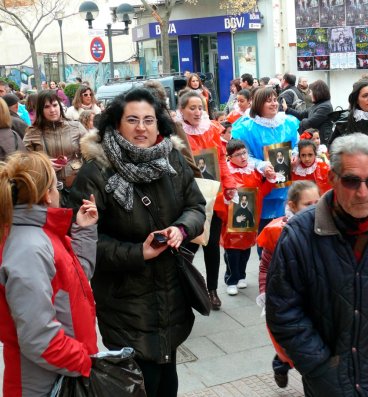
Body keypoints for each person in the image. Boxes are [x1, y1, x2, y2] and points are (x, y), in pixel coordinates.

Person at [266, 133, 368, 396]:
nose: (364, 192)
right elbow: (283, 311)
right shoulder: (299, 233)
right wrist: (318, 364)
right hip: (329, 381)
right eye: (352, 181)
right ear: (332, 179)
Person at [68, 87, 206, 397]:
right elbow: (84, 243)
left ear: (160, 124)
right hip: (124, 299)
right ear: (115, 124)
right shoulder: (96, 173)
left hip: (171, 294)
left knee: (166, 378)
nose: (141, 127)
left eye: (149, 119)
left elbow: (196, 206)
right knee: (142, 381)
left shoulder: (171, 158)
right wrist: (137, 253)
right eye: (132, 119)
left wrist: (182, 229)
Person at [0, 151, 99, 396]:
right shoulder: (29, 247)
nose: (59, 192)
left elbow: (74, 280)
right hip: (43, 383)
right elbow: (38, 338)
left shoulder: (40, 235)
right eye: (55, 186)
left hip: (58, 375)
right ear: (46, 194)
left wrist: (84, 230)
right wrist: (85, 362)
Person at [256, 180, 320, 389]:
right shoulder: (277, 231)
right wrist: (265, 293)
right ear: (292, 205)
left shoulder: (326, 226)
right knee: (289, 346)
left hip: (316, 297)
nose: (314, 208)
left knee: (312, 353)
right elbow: (265, 266)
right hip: (287, 299)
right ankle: (280, 364)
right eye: (307, 204)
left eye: (317, 203)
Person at [176, 90, 237, 310]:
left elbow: (221, 160)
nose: (197, 112)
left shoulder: (212, 129)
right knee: (187, 246)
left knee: (211, 245)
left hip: (213, 195)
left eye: (200, 107)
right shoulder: (176, 132)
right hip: (187, 197)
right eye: (191, 108)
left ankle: (211, 290)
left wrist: (229, 184)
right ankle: (184, 288)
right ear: (181, 109)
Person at [231, 87, 300, 237]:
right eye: (269, 101)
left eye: (275, 100)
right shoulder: (246, 127)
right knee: (265, 232)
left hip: (285, 186)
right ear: (258, 104)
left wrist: (295, 154)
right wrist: (260, 165)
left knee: (283, 230)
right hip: (261, 185)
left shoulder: (287, 122)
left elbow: (297, 143)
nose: (274, 104)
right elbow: (242, 154)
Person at [213, 139, 274, 295]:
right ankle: (231, 279)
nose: (243, 157)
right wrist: (225, 198)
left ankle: (241, 276)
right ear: (229, 157)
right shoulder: (226, 172)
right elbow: (218, 194)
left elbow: (261, 191)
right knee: (232, 251)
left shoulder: (253, 171)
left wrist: (271, 180)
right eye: (238, 155)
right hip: (230, 219)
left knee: (246, 249)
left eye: (244, 153)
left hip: (249, 217)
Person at [23, 90, 87, 205]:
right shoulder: (32, 132)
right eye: (47, 107)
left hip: (76, 186)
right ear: (40, 110)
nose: (52, 110)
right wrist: (43, 163)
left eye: (54, 105)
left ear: (60, 105)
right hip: (47, 189)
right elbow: (23, 159)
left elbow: (90, 154)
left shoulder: (75, 126)